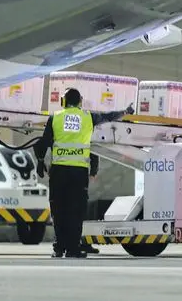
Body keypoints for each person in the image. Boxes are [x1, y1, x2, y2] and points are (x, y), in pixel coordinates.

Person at [34, 88, 135, 258]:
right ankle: (73, 249)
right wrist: (126, 111)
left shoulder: (55, 117)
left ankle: (59, 248)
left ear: (63, 101)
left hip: (59, 171)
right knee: (76, 211)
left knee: (58, 210)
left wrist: (40, 161)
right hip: (79, 172)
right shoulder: (88, 117)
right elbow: (109, 116)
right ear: (80, 101)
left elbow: (43, 142)